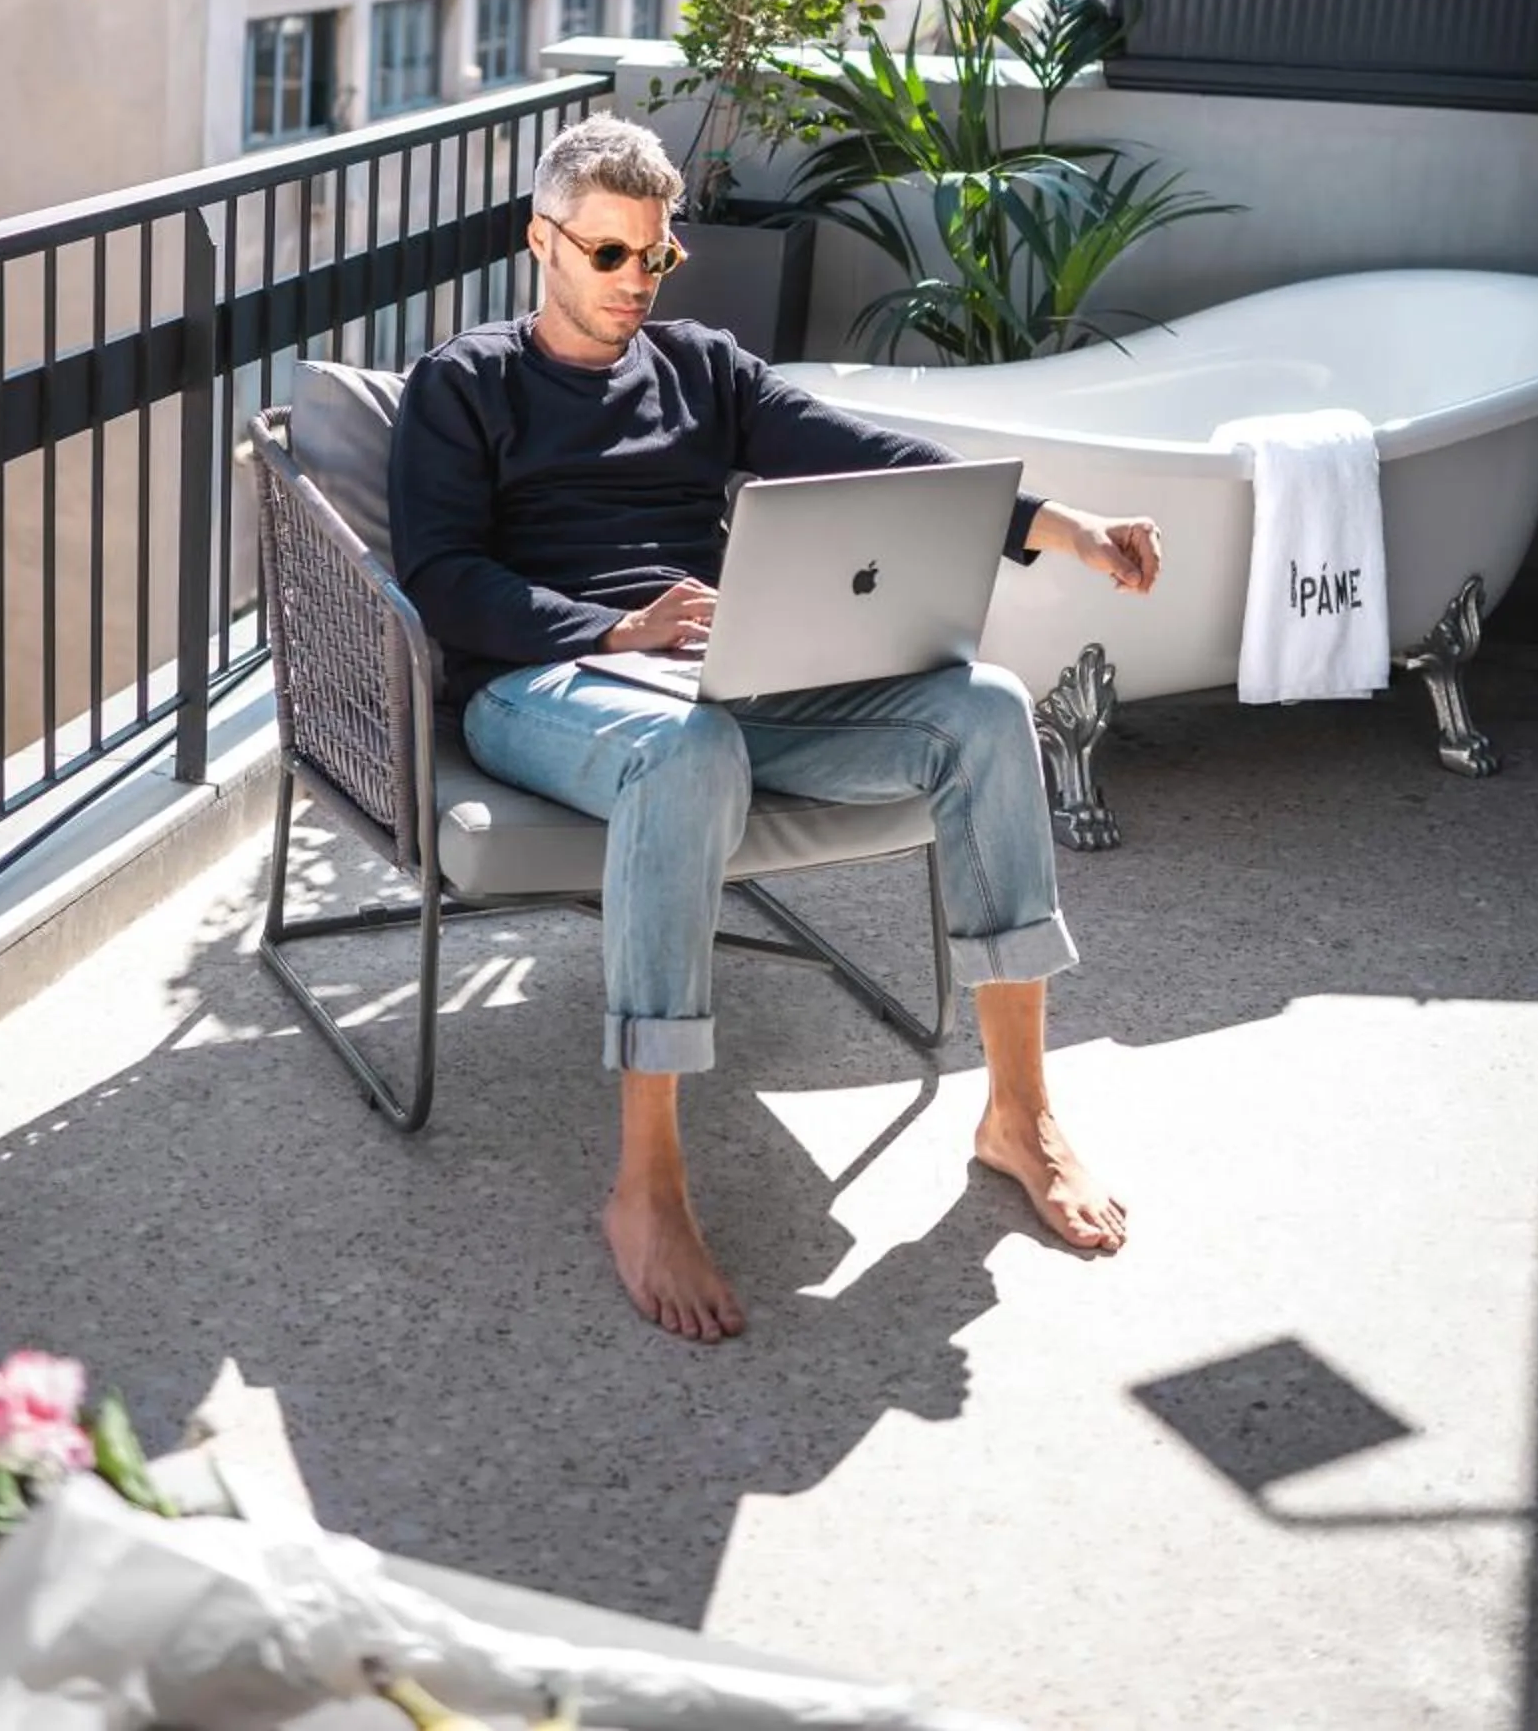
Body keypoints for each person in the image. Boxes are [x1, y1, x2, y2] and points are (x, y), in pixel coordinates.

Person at [389, 114, 1163, 1344]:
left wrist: (1061, 524)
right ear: (540, 241)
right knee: (686, 750)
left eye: (656, 257)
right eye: (606, 256)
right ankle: (645, 1183)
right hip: (542, 687)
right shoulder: (464, 384)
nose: (635, 282)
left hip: (720, 683)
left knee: (984, 707)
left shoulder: (701, 368)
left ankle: (1017, 1111)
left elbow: (883, 465)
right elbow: (439, 577)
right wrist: (615, 628)